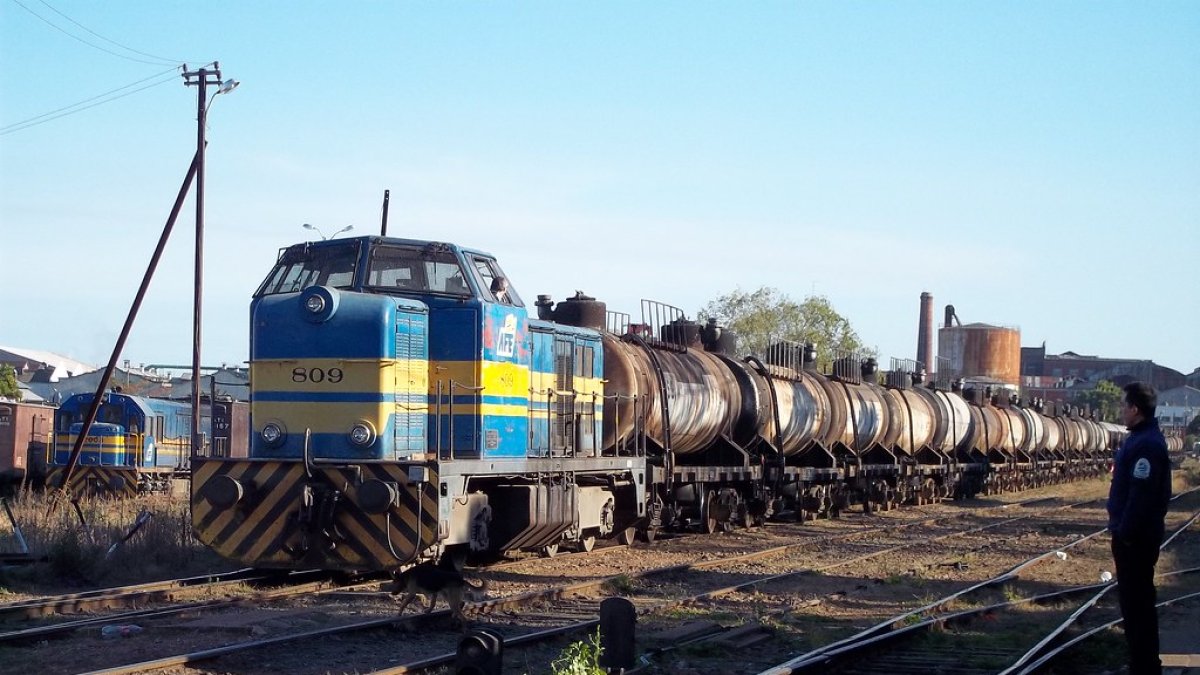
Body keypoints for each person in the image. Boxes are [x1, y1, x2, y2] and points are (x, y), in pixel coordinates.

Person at [1107, 381, 1172, 675]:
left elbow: (1140, 495)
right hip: (1135, 536)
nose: (1122, 410)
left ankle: (1145, 667)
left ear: (1135, 408)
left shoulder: (1146, 444)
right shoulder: (1142, 439)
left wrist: (1126, 534)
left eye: (1124, 405)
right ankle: (1141, 663)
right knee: (1134, 605)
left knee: (1138, 606)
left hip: (1136, 539)